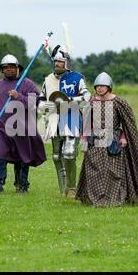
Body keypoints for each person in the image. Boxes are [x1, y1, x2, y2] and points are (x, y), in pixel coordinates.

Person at [76, 72, 138, 207]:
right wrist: (83, 140)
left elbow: (127, 124)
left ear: (109, 87)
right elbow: (86, 123)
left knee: (113, 171)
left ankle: (114, 198)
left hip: (113, 141)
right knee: (95, 170)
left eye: (102, 86)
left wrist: (124, 137)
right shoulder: (91, 102)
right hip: (95, 141)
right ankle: (95, 198)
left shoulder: (119, 102)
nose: (99, 88)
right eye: (97, 86)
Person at [0, 54, 46, 194]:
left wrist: (19, 97)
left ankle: (22, 184)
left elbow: (37, 103)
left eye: (12, 67)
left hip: (21, 129)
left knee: (21, 157)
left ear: (18, 69)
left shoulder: (27, 84)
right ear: (2, 70)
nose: (9, 70)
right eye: (6, 68)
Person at [38, 46, 91, 198]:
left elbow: (86, 96)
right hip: (54, 118)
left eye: (60, 61)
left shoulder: (77, 77)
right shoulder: (48, 80)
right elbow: (41, 98)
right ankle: (63, 190)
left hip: (71, 116)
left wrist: (69, 101)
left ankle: (72, 188)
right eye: (55, 61)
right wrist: (43, 105)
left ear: (66, 62)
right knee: (56, 156)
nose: (57, 64)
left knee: (68, 153)